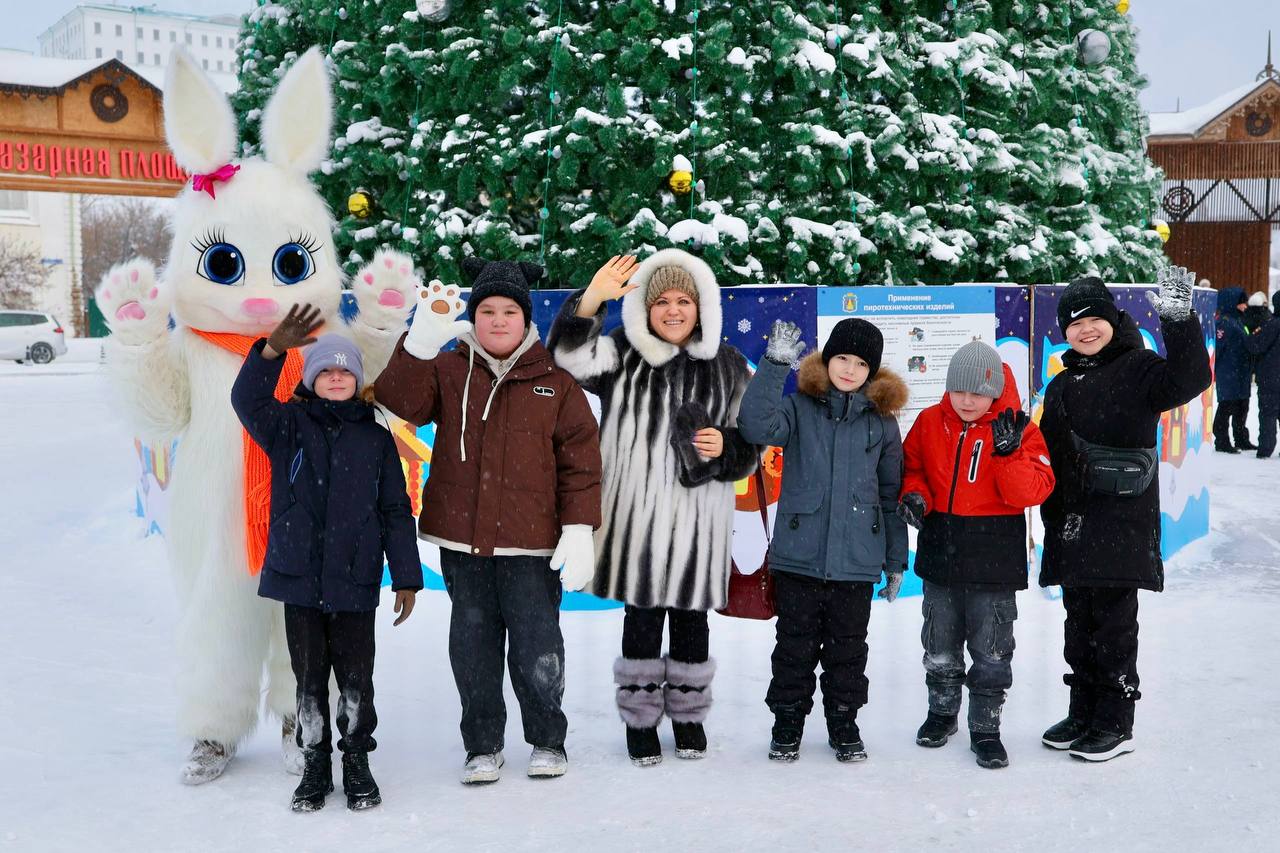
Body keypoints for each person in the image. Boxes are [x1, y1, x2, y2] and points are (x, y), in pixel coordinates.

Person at [375, 258, 602, 785]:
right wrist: (419, 343)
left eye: (508, 311)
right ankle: (483, 746)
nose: (498, 321)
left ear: (525, 319)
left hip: (532, 545)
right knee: (472, 649)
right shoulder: (449, 369)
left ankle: (548, 740)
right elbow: (398, 402)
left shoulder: (556, 382)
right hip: (462, 540)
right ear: (473, 317)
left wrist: (577, 527)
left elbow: (582, 462)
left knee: (537, 647)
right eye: (487, 311)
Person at [547, 250, 758, 767]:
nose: (672, 310)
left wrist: (725, 448)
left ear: (701, 306)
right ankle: (640, 722)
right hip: (636, 521)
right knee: (640, 618)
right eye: (660, 300)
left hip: (697, 524)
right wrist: (594, 298)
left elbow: (751, 445)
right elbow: (567, 360)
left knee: (691, 620)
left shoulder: (729, 365)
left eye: (683, 300)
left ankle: (688, 718)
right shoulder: (621, 352)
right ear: (644, 307)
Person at [230, 307, 423, 812]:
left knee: (357, 678)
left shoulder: (377, 438)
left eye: (345, 372)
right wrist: (271, 351)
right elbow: (245, 398)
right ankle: (315, 765)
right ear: (313, 379)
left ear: (357, 381)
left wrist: (406, 576)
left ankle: (356, 760)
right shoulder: (287, 426)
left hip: (356, 579)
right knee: (309, 680)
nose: (336, 378)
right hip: (300, 578)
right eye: (326, 371)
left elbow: (395, 511)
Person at [1038, 270, 1211, 761]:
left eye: (1094, 318)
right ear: (1063, 332)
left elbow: (1192, 377)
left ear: (1113, 319)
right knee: (1078, 624)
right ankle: (1083, 710)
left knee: (1114, 626)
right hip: (1073, 524)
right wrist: (1050, 517)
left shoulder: (1140, 368)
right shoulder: (1061, 384)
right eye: (1074, 323)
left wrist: (1178, 319)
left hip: (1122, 524)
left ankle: (1114, 721)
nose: (1085, 330)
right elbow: (1049, 456)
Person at [737, 318, 909, 763]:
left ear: (872, 371)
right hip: (799, 559)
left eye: (860, 363)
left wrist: (894, 561)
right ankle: (787, 723)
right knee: (793, 647)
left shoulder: (883, 425)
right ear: (827, 360)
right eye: (842, 359)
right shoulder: (797, 409)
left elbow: (890, 497)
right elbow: (755, 426)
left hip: (856, 563)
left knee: (848, 651)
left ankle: (844, 722)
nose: (850, 369)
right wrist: (775, 366)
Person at [897, 341, 1055, 769]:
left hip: (995, 557)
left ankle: (985, 728)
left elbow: (1033, 491)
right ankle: (942, 714)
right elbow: (912, 469)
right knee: (940, 642)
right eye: (959, 391)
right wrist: (915, 496)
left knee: (991, 649)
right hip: (941, 553)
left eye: (978, 392)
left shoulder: (1020, 430)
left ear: (995, 390)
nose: (967, 400)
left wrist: (1007, 455)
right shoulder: (930, 422)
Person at [1212, 286, 1253, 453]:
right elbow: (1218, 348)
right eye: (1241, 303)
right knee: (1226, 406)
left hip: (1241, 372)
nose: (1245, 306)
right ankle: (1222, 441)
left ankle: (1241, 438)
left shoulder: (1239, 321)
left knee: (1242, 406)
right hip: (1228, 372)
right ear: (1232, 303)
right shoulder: (1224, 323)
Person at [1245, 291, 1280, 458]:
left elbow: (1255, 345)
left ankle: (1265, 449)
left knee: (1268, 414)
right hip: (1273, 378)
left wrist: (1250, 336)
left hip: (1270, 379)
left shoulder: (1272, 324)